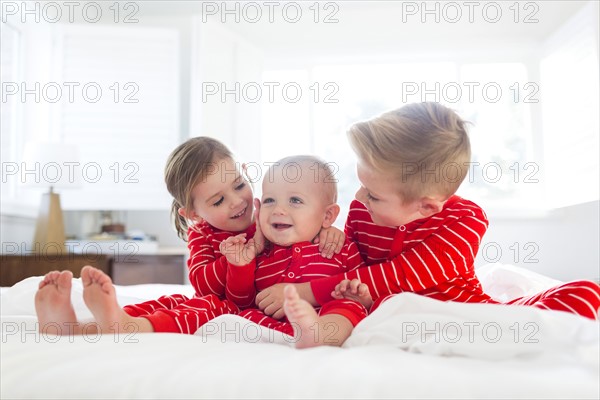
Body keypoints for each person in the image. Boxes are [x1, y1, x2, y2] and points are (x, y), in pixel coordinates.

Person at [277, 102, 600, 348]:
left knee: (587, 291)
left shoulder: (465, 220)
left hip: (463, 311)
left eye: (374, 194)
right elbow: (354, 262)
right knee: (369, 309)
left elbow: (402, 276)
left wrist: (306, 291)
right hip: (391, 312)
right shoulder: (363, 208)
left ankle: (520, 338)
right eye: (362, 185)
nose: (359, 197)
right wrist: (333, 241)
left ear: (425, 206)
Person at [34, 138, 345, 336]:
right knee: (174, 301)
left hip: (240, 307)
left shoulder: (270, 213)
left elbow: (305, 223)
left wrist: (327, 230)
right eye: (218, 201)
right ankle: (79, 327)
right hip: (221, 299)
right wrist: (236, 260)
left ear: (247, 172)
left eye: (238, 185)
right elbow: (203, 284)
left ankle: (127, 327)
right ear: (194, 214)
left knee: (204, 310)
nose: (237, 202)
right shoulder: (202, 235)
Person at [219, 155, 368, 348]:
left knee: (349, 307)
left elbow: (361, 283)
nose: (278, 209)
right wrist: (240, 265)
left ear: (327, 215)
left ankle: (319, 335)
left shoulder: (340, 246)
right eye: (270, 200)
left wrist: (360, 295)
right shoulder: (261, 251)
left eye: (295, 200)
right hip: (276, 323)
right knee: (246, 315)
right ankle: (290, 337)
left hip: (324, 316)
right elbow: (241, 301)